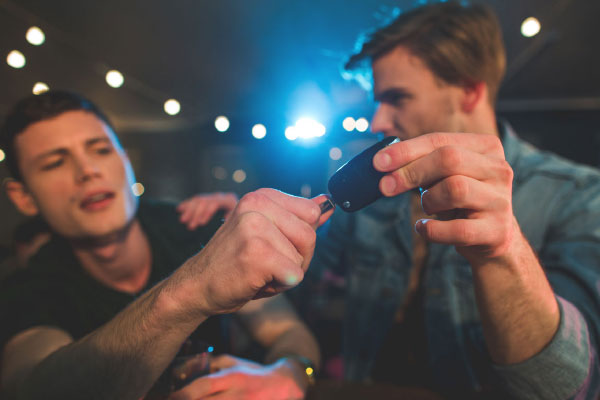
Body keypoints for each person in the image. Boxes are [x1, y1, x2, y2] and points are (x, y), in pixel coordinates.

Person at [295, 2, 600, 399]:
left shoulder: (578, 196)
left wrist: (502, 252)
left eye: (397, 98)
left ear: (470, 92)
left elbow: (573, 385)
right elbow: (305, 304)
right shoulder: (377, 196)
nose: (377, 122)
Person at [0, 91, 333, 400]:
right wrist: (191, 289)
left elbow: (289, 331)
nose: (87, 170)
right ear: (23, 197)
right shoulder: (28, 288)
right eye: (55, 162)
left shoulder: (190, 227)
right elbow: (35, 389)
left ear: (126, 161)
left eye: (100, 150)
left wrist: (290, 372)